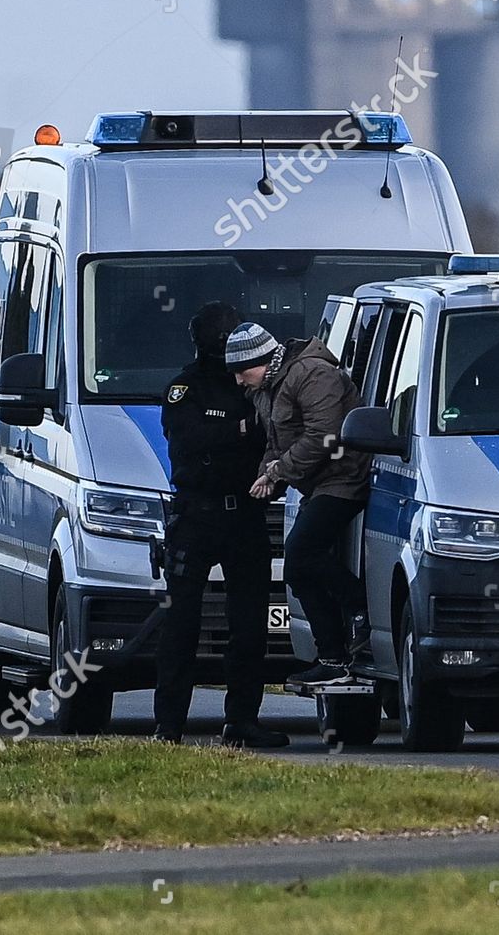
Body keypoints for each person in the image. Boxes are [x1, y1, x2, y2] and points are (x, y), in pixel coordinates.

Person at [152, 302, 288, 749]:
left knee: (249, 626)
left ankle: (242, 721)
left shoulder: (256, 381)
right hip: (197, 513)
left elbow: (278, 430)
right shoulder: (184, 387)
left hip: (246, 514)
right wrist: (242, 431)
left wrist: (238, 433)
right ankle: (169, 724)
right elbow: (190, 440)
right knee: (180, 625)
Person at [225, 321, 372, 686]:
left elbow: (324, 436)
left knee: (302, 553)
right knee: (297, 570)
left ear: (265, 359)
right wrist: (266, 476)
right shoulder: (266, 387)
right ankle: (333, 657)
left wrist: (278, 472)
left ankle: (358, 607)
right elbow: (276, 442)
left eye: (244, 372)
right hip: (316, 483)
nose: (240, 382)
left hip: (344, 477)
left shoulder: (312, 374)